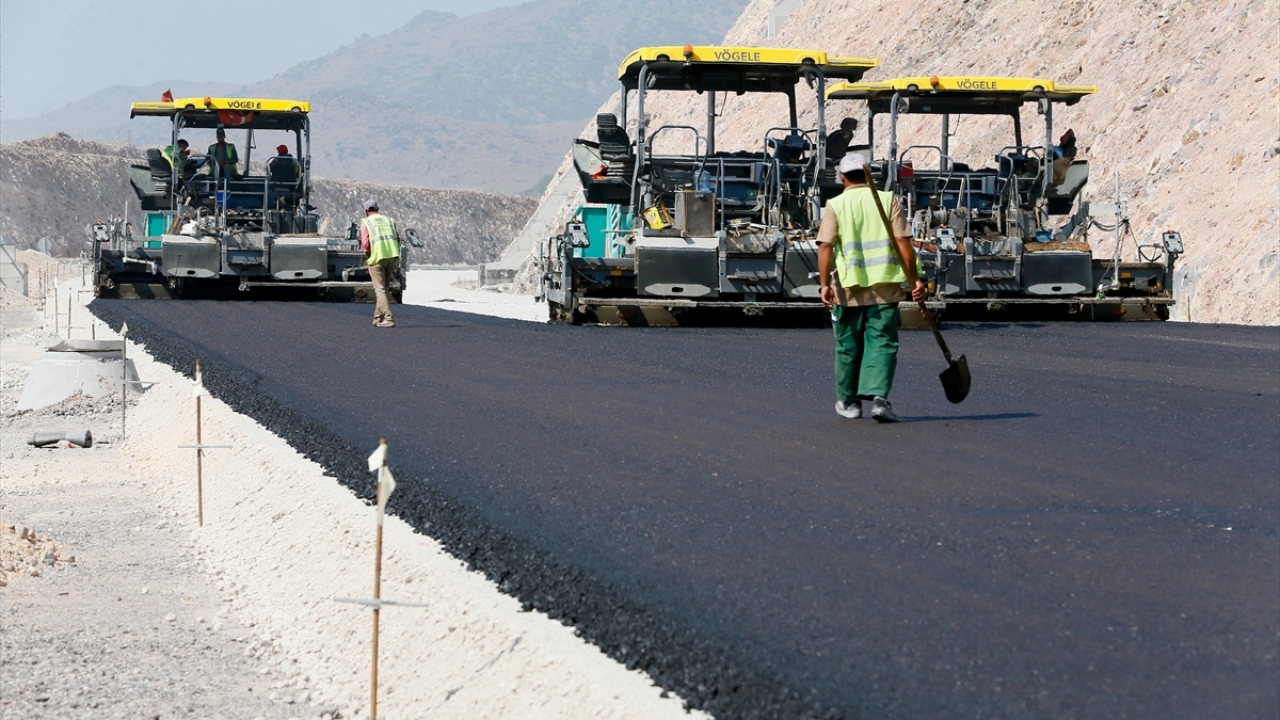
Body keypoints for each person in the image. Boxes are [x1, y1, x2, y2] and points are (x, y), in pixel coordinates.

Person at [817, 152, 926, 423]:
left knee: (847, 345)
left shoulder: (836, 204)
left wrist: (823, 285)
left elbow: (826, 246)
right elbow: (903, 244)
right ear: (869, 176)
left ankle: (849, 403)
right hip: (885, 286)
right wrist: (915, 281)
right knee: (881, 342)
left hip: (847, 287)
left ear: (842, 177)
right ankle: (879, 398)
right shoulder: (889, 200)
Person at [360, 199, 401, 328]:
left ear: (366, 211)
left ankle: (388, 318)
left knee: (380, 289)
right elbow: (398, 238)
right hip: (391, 257)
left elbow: (365, 244)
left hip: (377, 257)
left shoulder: (366, 222)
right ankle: (378, 318)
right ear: (378, 209)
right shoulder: (390, 221)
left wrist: (368, 255)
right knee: (384, 288)